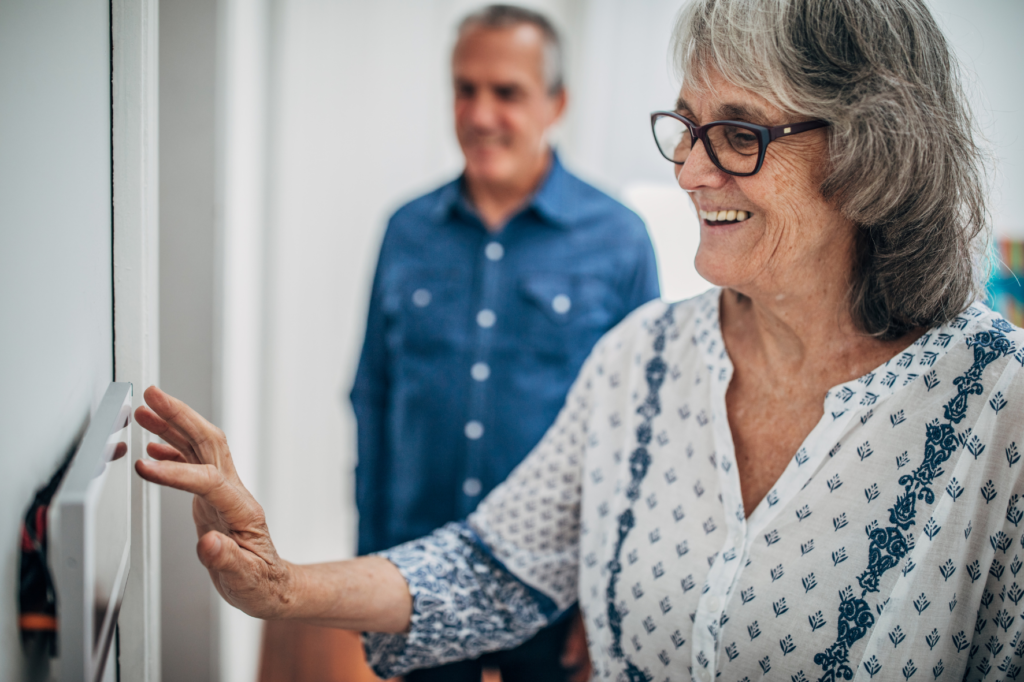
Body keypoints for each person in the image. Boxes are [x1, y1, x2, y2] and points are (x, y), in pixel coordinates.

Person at [133, 0, 1024, 679]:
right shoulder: (642, 361)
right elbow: (490, 563)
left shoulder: (998, 408)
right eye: (685, 125)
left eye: (740, 134)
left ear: (875, 151)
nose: (688, 170)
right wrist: (282, 585)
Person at [349, 5, 659, 680]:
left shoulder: (619, 238)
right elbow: (371, 395)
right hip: (419, 570)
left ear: (557, 103)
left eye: (507, 92)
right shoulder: (405, 230)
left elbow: (640, 431)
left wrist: (606, 594)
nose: (481, 114)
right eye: (466, 88)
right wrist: (370, 562)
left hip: (553, 585)